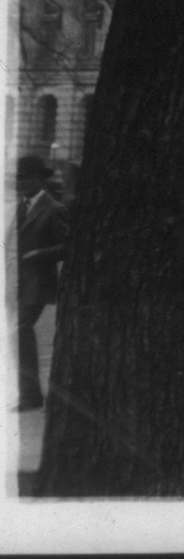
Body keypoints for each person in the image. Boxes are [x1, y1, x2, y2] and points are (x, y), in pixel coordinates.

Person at [13, 155, 68, 412]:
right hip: (18, 282)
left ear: (39, 178)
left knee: (21, 329)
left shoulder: (53, 208)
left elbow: (67, 246)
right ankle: (29, 393)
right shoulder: (20, 206)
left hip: (38, 282)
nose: (22, 184)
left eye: (26, 179)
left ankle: (31, 395)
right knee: (18, 333)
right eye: (19, 179)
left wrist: (39, 255)